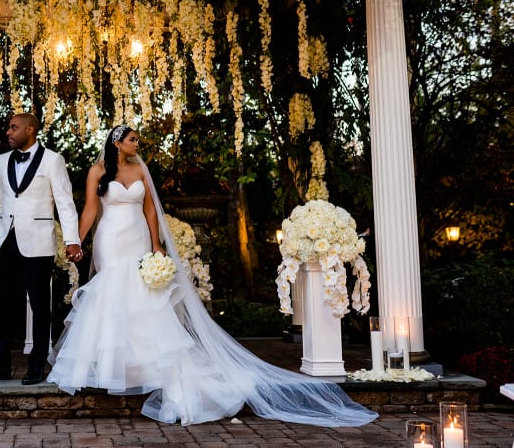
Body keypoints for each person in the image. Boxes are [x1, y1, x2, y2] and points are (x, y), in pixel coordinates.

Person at [47, 124, 378, 426]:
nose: (137, 144)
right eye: (133, 140)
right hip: (109, 239)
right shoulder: (97, 171)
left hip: (136, 237)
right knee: (113, 295)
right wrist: (75, 241)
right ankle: (115, 366)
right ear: (117, 143)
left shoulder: (140, 170)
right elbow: (90, 209)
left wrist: (156, 244)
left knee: (143, 299)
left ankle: (144, 366)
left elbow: (149, 210)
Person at [0, 113, 82, 385]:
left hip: (38, 242)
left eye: (14, 127)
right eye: (9, 127)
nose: (8, 132)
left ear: (30, 130)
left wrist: (72, 240)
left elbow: (65, 202)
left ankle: (36, 366)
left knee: (40, 307)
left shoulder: (53, 160)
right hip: (4, 241)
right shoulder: (1, 161)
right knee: (3, 306)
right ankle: (1, 366)